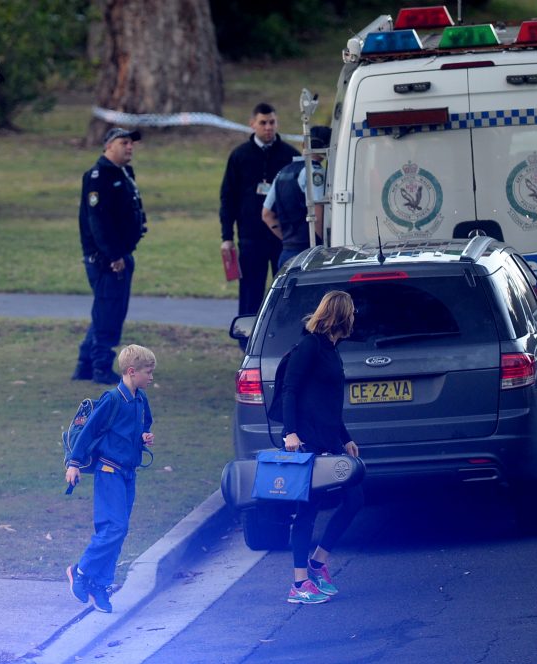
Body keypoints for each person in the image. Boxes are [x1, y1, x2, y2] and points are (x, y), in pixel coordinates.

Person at [281, 290, 364, 604]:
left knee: (355, 498)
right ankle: (299, 584)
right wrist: (290, 433)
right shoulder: (310, 346)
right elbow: (290, 390)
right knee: (308, 509)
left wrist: (345, 436)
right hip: (307, 441)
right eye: (352, 311)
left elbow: (328, 402)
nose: (355, 317)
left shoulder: (331, 348)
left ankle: (318, 563)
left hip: (330, 440)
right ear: (341, 315)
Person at [65, 344, 156, 613]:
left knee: (118, 531)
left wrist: (144, 436)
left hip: (128, 474)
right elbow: (87, 433)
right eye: (148, 372)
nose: (151, 377)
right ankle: (80, 572)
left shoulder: (141, 400)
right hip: (109, 471)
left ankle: (101, 585)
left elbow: (145, 424)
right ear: (131, 372)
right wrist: (74, 463)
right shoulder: (112, 399)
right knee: (114, 528)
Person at [72, 127, 148, 384]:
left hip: (121, 254)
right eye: (124, 142)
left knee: (105, 311)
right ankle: (101, 367)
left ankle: (84, 364)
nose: (130, 147)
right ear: (108, 146)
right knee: (109, 313)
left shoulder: (124, 173)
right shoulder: (98, 176)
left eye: (131, 143)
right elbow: (98, 221)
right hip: (106, 259)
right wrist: (114, 255)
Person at [220, 103, 299, 320]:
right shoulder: (239, 156)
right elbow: (228, 198)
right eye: (263, 123)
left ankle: (284, 336)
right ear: (252, 124)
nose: (268, 127)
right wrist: (227, 236)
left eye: (272, 122)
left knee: (284, 291)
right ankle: (246, 340)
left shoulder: (290, 155)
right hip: (250, 237)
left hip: (282, 238)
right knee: (250, 293)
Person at [262, 126, 332, 268]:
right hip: (310, 254)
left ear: (304, 145)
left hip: (287, 253)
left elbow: (267, 214)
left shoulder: (282, 172)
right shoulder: (315, 172)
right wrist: (328, 245)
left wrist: (288, 239)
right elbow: (317, 214)